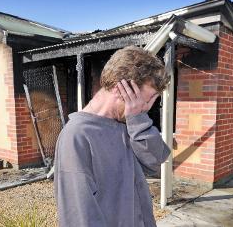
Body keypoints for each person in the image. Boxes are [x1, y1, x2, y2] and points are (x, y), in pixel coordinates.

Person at [54, 45, 171, 227]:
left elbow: (156, 160)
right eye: (148, 98)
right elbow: (79, 217)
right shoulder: (77, 136)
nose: (147, 107)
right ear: (120, 89)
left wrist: (138, 121)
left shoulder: (129, 123)